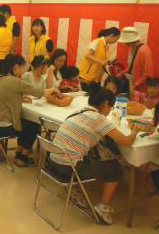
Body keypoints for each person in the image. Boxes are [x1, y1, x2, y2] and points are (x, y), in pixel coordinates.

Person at [49, 82, 139, 225]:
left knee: (91, 154)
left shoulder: (80, 111)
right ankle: (102, 207)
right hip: (68, 168)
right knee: (115, 168)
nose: (110, 111)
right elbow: (127, 141)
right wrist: (135, 130)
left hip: (52, 162)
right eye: (110, 107)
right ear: (104, 104)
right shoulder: (99, 119)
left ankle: (76, 190)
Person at [0, 54, 58, 166]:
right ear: (15, 67)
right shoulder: (17, 82)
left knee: (25, 122)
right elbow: (43, 92)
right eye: (22, 68)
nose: (23, 71)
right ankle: (23, 157)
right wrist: (56, 91)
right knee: (34, 124)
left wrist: (20, 97)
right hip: (1, 128)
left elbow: (6, 94)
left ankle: (19, 152)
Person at [117, 26, 153, 93]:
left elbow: (148, 74)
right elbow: (132, 67)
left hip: (140, 89)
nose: (124, 43)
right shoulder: (131, 48)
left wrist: (135, 85)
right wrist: (121, 73)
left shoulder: (144, 50)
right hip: (131, 84)